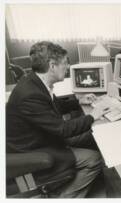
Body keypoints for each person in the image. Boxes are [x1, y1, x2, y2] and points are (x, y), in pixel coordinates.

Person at [6, 41, 105, 198]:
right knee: (95, 159)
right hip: (34, 150)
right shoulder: (31, 94)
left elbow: (53, 106)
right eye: (65, 63)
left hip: (42, 137)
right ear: (52, 65)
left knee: (91, 136)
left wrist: (79, 101)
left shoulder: (35, 82)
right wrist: (92, 116)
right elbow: (63, 129)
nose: (67, 67)